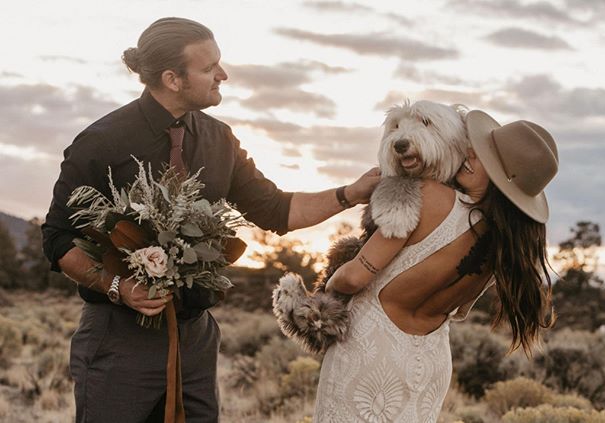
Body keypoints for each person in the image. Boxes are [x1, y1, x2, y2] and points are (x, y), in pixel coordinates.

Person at [41, 17, 379, 423]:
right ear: (172, 78)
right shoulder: (101, 142)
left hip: (196, 339)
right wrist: (117, 286)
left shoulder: (220, 140)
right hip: (119, 339)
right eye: (209, 68)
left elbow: (277, 209)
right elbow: (58, 238)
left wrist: (350, 194)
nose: (223, 75)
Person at [313, 110, 559, 422]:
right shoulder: (503, 248)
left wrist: (329, 287)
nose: (468, 154)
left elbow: (354, 276)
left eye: (481, 156)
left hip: (372, 354)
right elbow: (460, 311)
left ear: (501, 177)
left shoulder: (426, 194)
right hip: (430, 365)